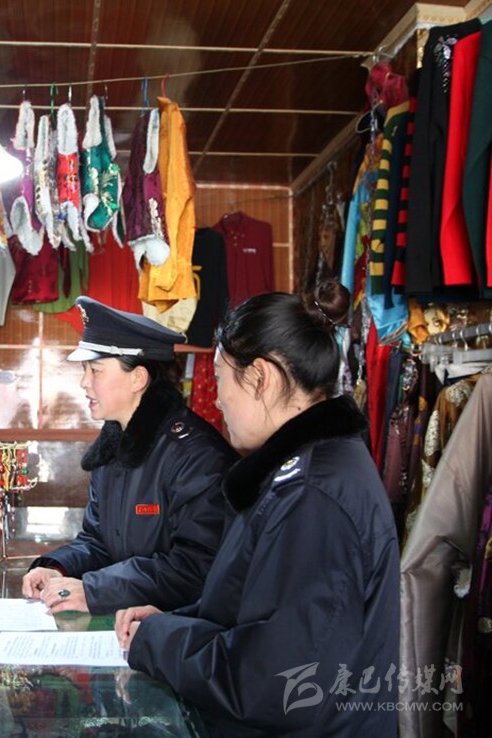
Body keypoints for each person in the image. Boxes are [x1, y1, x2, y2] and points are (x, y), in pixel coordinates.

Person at [115, 281, 400, 736]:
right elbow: (252, 608)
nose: (218, 398)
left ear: (261, 377)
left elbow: (275, 679)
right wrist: (174, 621)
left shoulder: (313, 494)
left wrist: (157, 640)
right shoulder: (302, 470)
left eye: (221, 378)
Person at [22, 296, 237, 615]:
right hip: (126, 622)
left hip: (176, 627)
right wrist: (58, 567)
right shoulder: (112, 447)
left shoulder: (195, 455)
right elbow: (98, 542)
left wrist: (95, 590)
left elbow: (194, 567)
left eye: (95, 370)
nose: (84, 383)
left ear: (138, 378)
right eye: (85, 370)